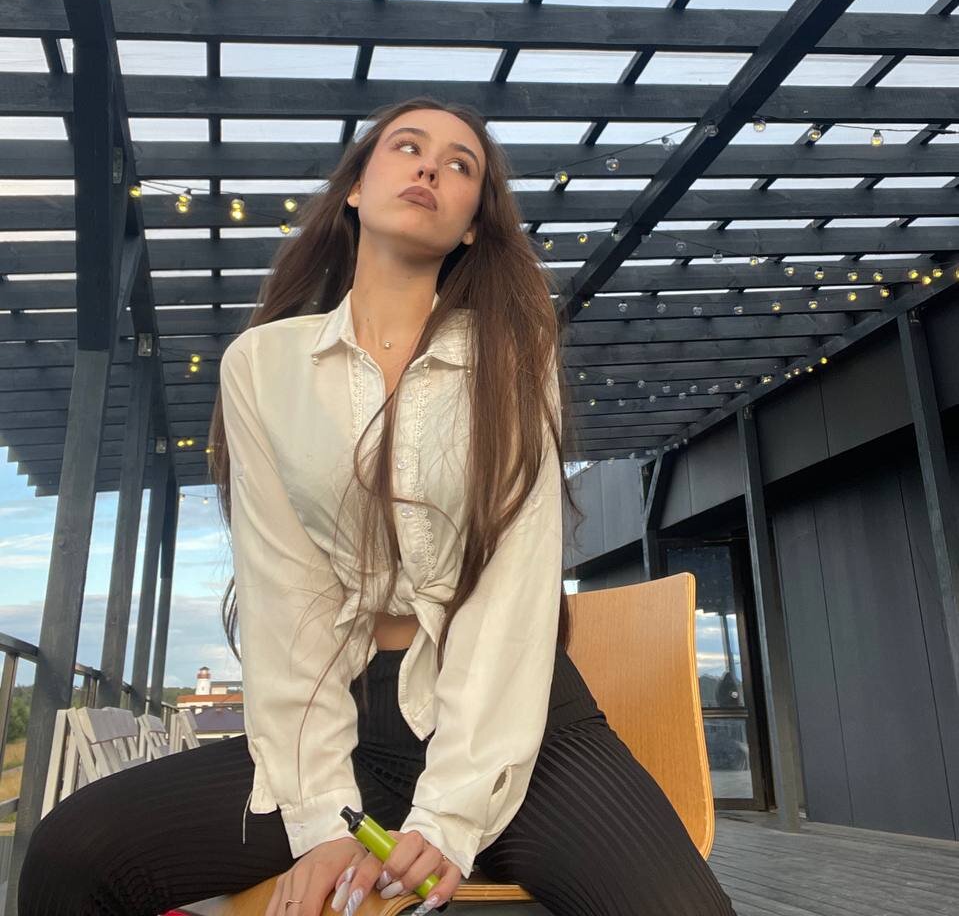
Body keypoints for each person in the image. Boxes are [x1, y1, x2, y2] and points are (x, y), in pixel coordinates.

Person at [19, 98, 738, 916]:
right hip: (343, 728)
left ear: (472, 226)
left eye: (460, 164)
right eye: (407, 146)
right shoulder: (262, 365)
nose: (430, 166)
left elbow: (510, 596)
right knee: (72, 854)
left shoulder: (512, 353)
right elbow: (286, 595)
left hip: (520, 727)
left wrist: (450, 815)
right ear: (356, 189)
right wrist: (322, 817)